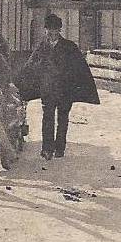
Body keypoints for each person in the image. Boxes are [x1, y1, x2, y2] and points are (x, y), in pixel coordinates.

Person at [18, 13, 100, 159]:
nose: (51, 33)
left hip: (65, 91)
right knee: (47, 118)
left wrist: (74, 84)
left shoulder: (69, 47)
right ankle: (47, 149)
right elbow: (30, 66)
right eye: (48, 30)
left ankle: (60, 148)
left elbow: (79, 68)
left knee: (62, 120)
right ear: (45, 30)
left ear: (59, 30)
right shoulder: (41, 47)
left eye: (54, 30)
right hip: (47, 90)